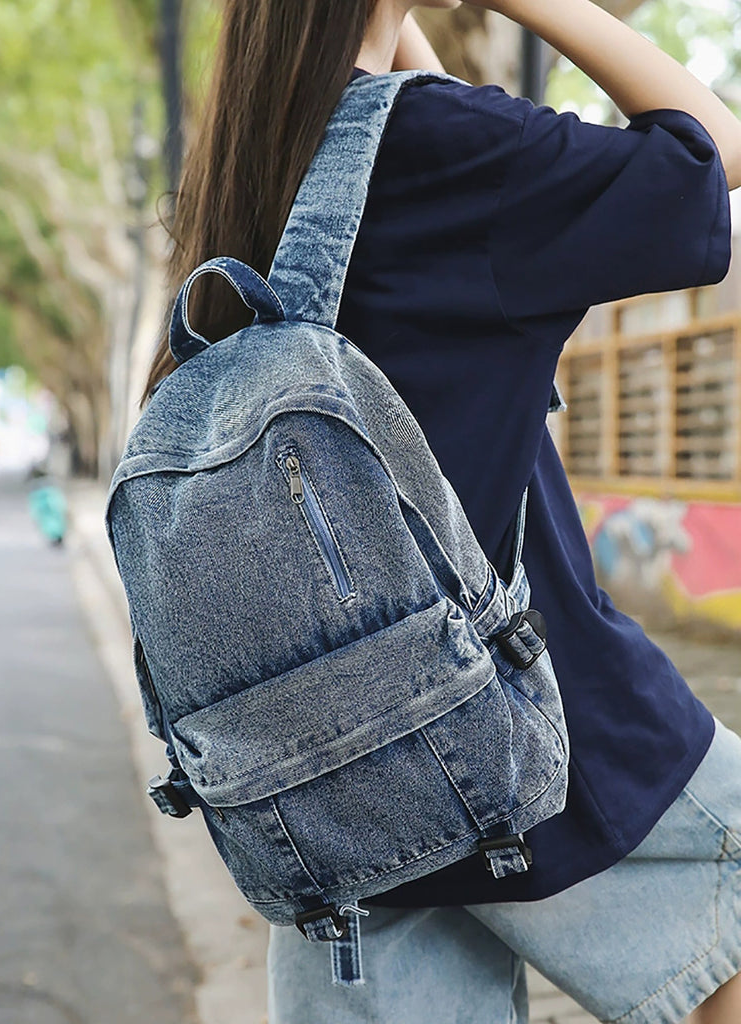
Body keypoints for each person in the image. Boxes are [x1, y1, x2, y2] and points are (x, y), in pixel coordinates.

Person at [143, 1, 741, 1020]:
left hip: (331, 775)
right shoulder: (450, 150)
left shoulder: (256, 163)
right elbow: (711, 149)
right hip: (534, 721)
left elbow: (429, 111)